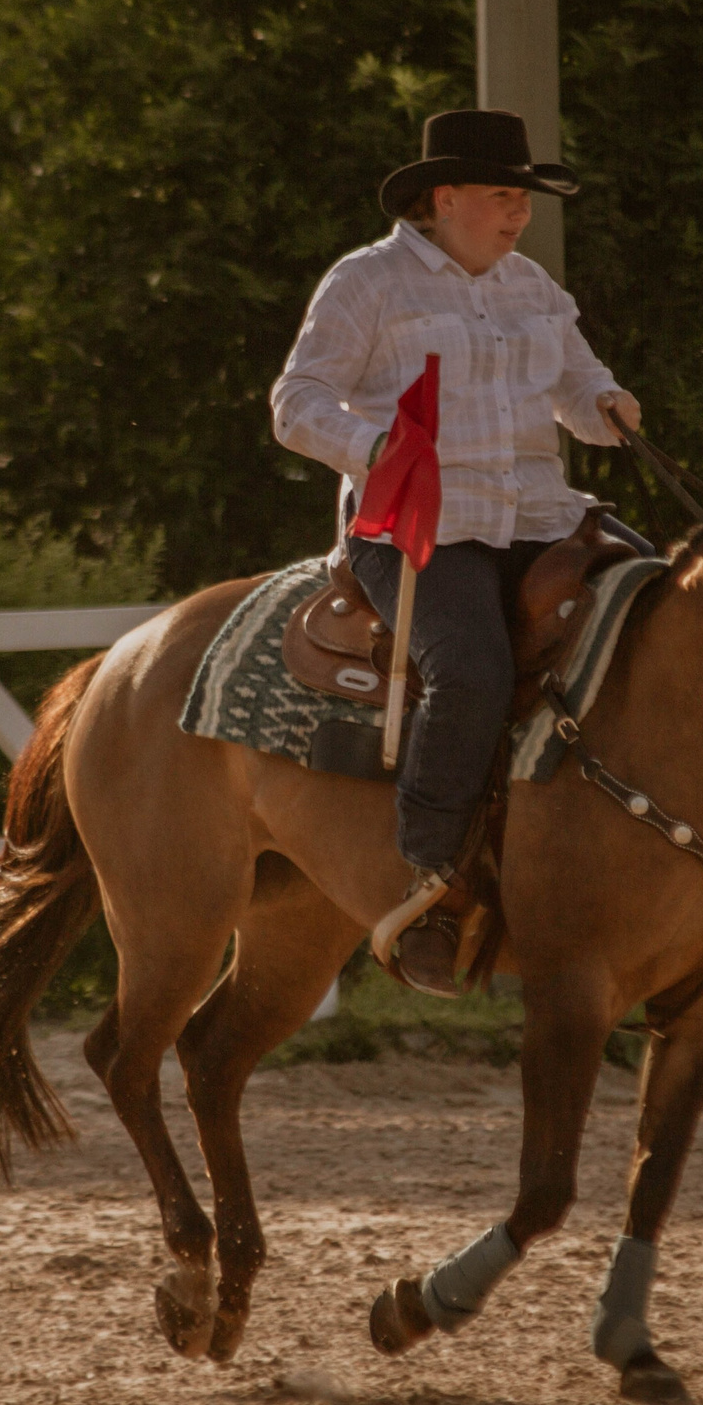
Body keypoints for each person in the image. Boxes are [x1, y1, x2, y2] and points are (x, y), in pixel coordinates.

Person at [271, 109, 640, 996]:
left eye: (523, 199)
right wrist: (376, 450)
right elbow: (296, 401)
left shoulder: (533, 287)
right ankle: (431, 882)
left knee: (665, 609)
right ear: (446, 199)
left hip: (545, 516)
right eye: (504, 197)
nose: (519, 214)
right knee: (470, 670)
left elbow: (580, 388)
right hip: (420, 526)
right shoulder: (369, 283)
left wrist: (611, 406)